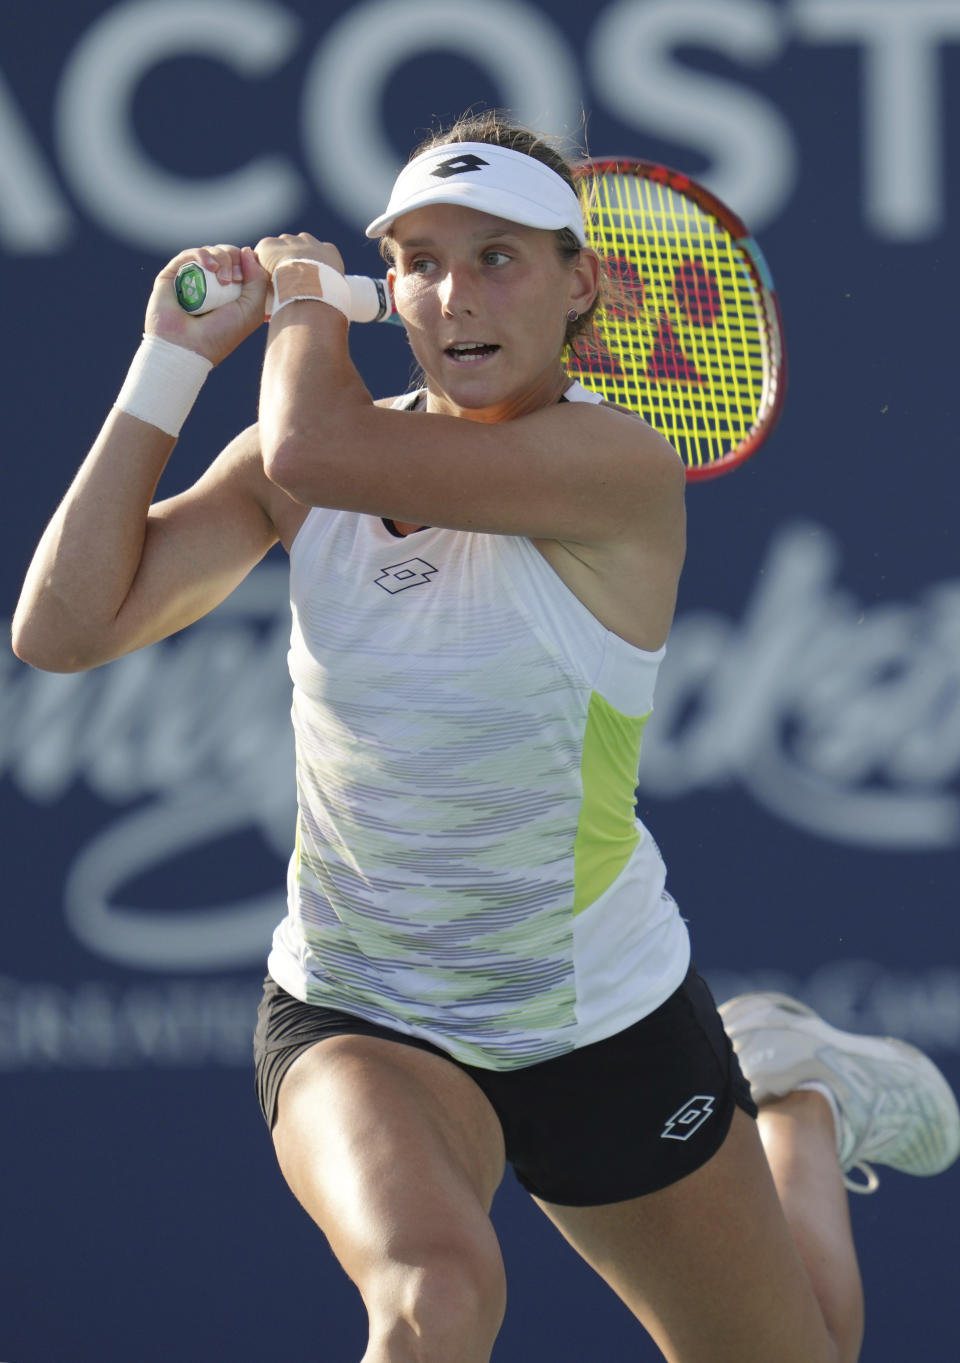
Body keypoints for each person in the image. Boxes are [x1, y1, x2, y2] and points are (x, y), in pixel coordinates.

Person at [12, 111, 959, 1363]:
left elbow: (317, 440)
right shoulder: (301, 467)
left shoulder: (617, 464)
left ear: (586, 284)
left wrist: (300, 303)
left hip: (602, 1017)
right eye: (417, 258)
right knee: (433, 1299)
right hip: (361, 1008)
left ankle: (801, 1103)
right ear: (391, 284)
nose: (452, 293)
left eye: (498, 256)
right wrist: (165, 363)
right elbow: (63, 629)